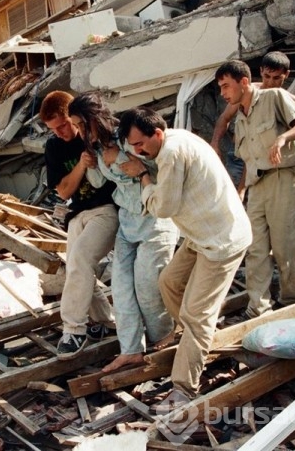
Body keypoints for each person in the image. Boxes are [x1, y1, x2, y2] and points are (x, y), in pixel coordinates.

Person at [117, 107, 252, 398]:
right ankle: (197, 337)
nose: (138, 151)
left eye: (141, 144)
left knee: (197, 312)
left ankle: (185, 386)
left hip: (221, 242)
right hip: (199, 235)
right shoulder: (171, 140)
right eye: (133, 147)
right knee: (169, 282)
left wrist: (142, 177)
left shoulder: (171, 154)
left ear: (157, 132)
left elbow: (163, 208)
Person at [68, 93, 178, 372]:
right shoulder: (95, 149)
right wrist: (88, 163)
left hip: (154, 220)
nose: (80, 131)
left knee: (147, 287)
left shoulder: (128, 138)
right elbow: (97, 180)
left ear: (94, 118)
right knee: (121, 287)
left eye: (81, 124)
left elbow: (161, 168)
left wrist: (139, 167)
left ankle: (163, 338)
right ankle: (130, 350)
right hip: (127, 222)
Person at [215, 60, 295, 319]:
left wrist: (283, 138)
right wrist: (241, 189)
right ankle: (258, 308)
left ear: (244, 82)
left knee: (285, 248)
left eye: (226, 86)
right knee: (256, 248)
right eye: (221, 87)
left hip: (286, 179)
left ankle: (290, 305)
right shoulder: (240, 116)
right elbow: (250, 159)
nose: (223, 93)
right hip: (257, 185)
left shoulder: (275, 97)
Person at [40, 90, 118, 361]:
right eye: (53, 129)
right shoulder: (54, 147)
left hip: (106, 210)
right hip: (77, 213)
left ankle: (73, 330)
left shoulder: (93, 133)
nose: (60, 132)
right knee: (76, 265)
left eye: (63, 125)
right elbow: (63, 191)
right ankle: (106, 323)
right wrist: (82, 166)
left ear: (72, 117)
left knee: (81, 260)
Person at [210, 51, 295, 189]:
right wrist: (215, 143)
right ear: (261, 72)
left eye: (277, 78)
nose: (271, 82)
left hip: (269, 162)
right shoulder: (246, 92)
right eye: (267, 76)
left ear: (286, 75)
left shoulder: (287, 100)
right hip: (242, 157)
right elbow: (224, 119)